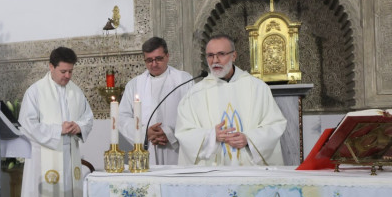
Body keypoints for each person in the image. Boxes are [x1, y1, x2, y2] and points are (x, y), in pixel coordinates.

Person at [16, 47, 94, 197]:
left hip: (69, 162)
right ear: (50, 67)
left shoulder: (76, 91)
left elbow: (87, 117)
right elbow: (27, 123)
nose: (67, 76)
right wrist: (57, 129)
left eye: (70, 71)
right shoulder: (35, 92)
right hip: (44, 162)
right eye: (63, 71)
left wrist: (78, 126)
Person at [175, 34, 286, 166]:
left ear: (234, 56)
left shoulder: (258, 88)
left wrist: (249, 139)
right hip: (212, 173)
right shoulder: (195, 93)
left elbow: (274, 124)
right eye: (210, 55)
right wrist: (211, 136)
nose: (215, 60)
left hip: (250, 171)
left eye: (221, 54)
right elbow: (184, 131)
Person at [118, 37, 194, 165]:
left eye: (158, 59)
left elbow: (194, 115)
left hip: (176, 149)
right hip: (148, 148)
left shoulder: (184, 79)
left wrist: (170, 134)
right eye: (149, 60)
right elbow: (122, 118)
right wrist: (144, 133)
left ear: (167, 56)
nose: (153, 64)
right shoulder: (134, 85)